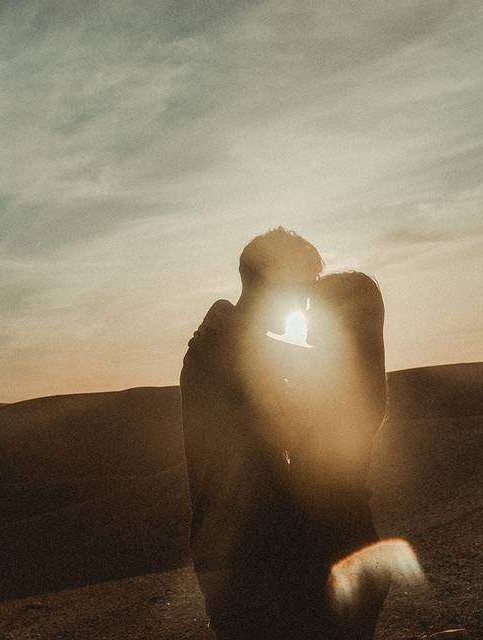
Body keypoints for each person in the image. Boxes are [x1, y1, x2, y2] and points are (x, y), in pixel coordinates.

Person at [180, 228, 388, 639]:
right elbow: (285, 425)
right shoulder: (230, 352)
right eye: (306, 288)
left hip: (263, 552)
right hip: (246, 557)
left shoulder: (232, 343)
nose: (309, 303)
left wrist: (226, 316)